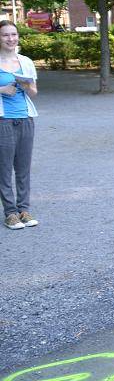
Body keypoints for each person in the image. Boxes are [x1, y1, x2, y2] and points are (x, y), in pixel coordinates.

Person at [1, 20, 39, 230]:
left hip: (25, 119)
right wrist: (1, 90)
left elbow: (34, 92)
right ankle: (10, 213)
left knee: (23, 168)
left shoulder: (26, 61)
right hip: (2, 121)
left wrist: (26, 85)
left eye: (13, 34)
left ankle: (24, 209)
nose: (10, 39)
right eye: (5, 35)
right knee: (4, 169)